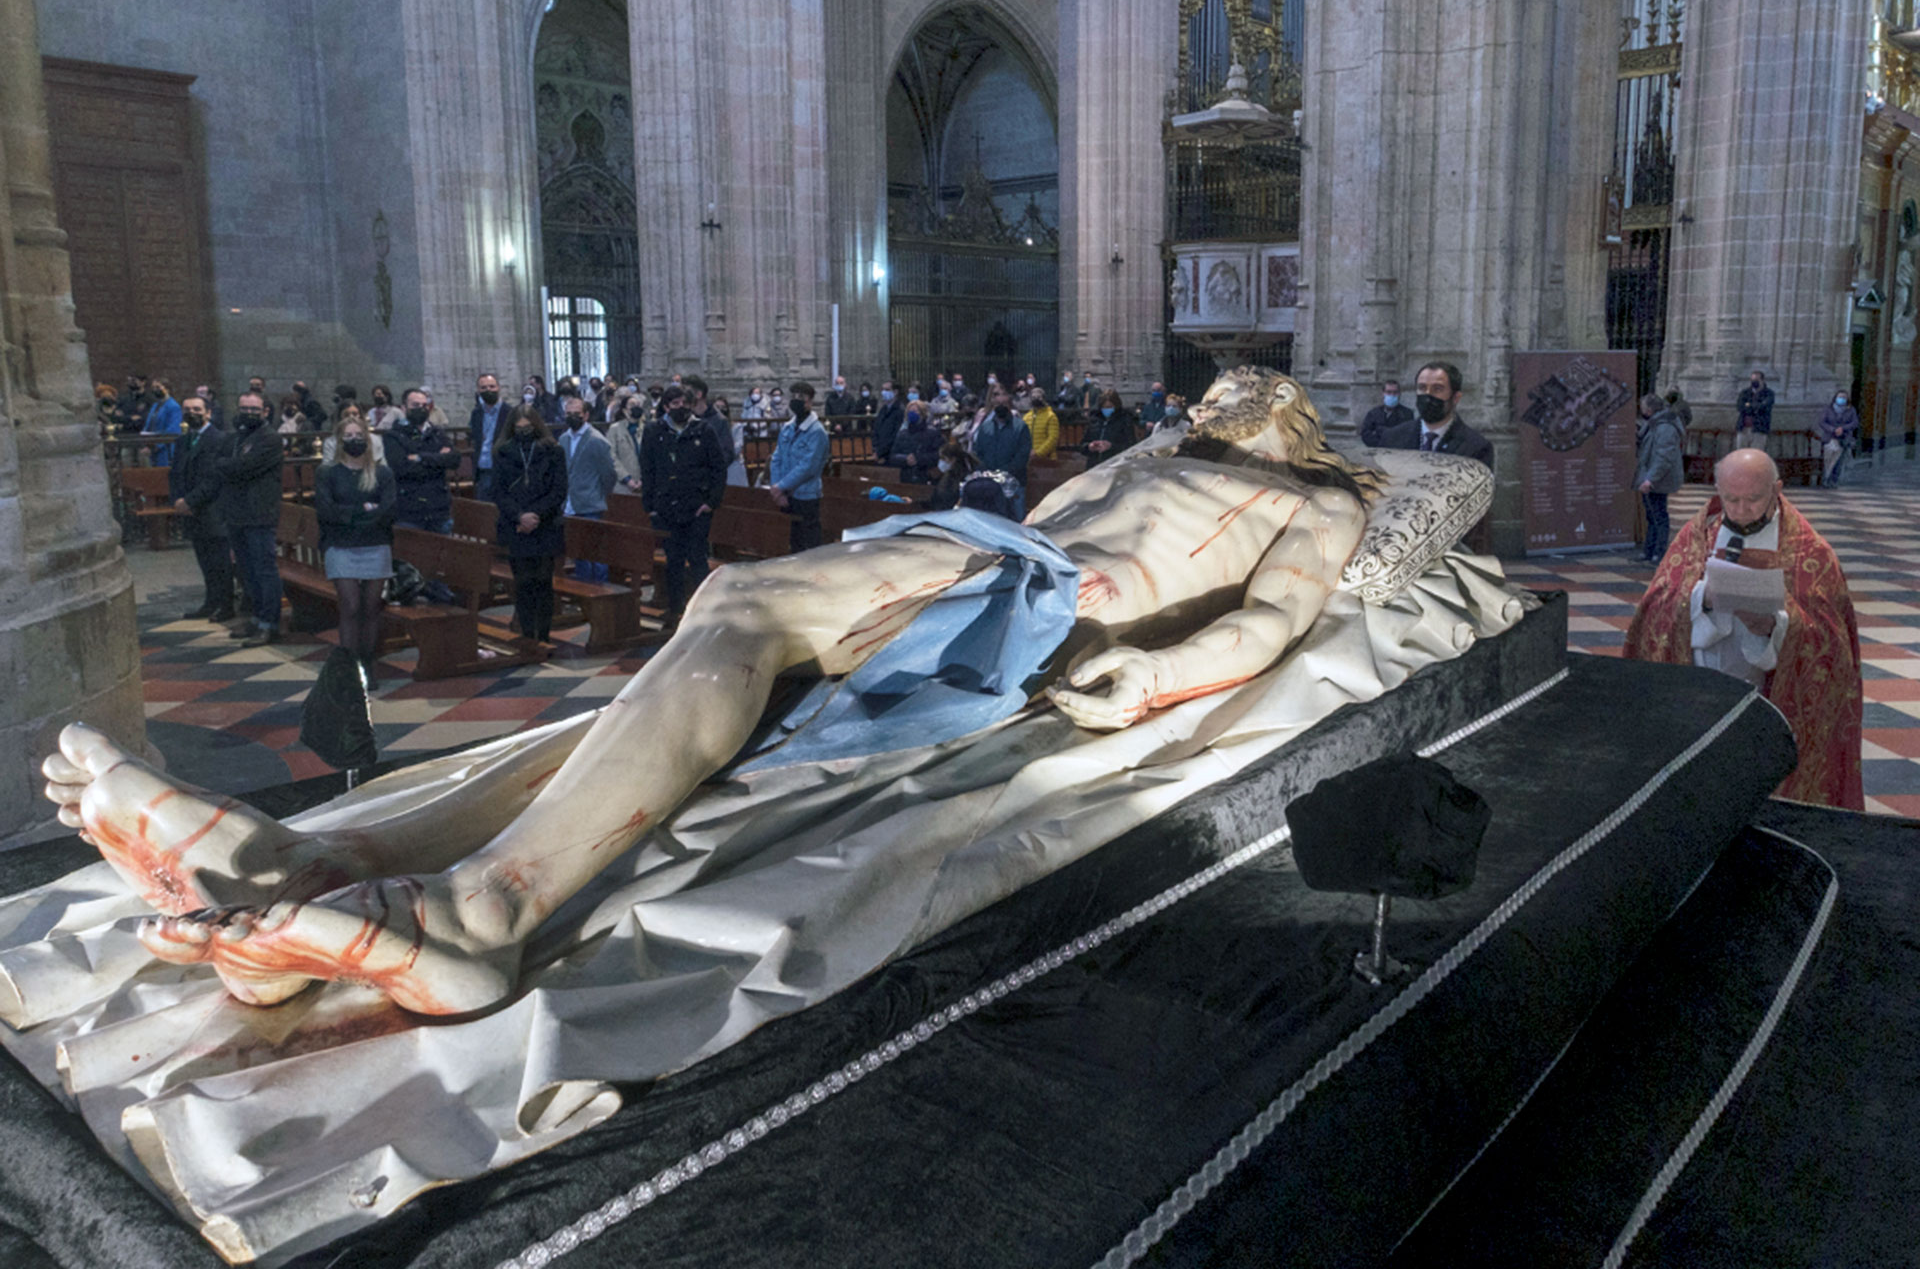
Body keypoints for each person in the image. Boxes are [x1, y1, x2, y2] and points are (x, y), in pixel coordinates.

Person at [65, 367, 1382, 1017]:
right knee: (650, 711)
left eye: (1254, 389)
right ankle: (313, 860)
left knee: (734, 610)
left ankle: (480, 911)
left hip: (1041, 616)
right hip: (1003, 564)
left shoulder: (1309, 499)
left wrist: (1156, 667)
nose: (1228, 396)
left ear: (1297, 419)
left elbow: (1270, 618)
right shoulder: (1151, 459)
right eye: (1217, 390)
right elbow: (1046, 522)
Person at [1625, 448, 1862, 810]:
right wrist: (1703, 599)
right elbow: (1658, 606)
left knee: (1754, 796)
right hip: (1701, 689)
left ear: (1777, 489)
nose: (1740, 509)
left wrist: (1775, 627)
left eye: (1753, 499)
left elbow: (1831, 644)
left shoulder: (1810, 552)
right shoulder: (1698, 535)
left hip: (1766, 698)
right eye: (1730, 498)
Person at [313, 415, 396, 687]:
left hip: (375, 544)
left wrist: (351, 515)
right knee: (350, 606)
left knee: (370, 607)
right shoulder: (328, 473)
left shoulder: (382, 473)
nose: (354, 441)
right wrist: (362, 510)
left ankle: (368, 663)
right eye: (348, 436)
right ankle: (350, 667)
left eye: (358, 436)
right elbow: (326, 511)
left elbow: (387, 510)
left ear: (368, 440)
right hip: (341, 546)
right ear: (339, 441)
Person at [641, 385, 727, 626]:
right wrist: (651, 505)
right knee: (673, 561)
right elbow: (648, 469)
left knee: (698, 559)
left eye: (684, 404)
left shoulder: (703, 430)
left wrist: (711, 502)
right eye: (675, 404)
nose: (680, 408)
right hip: (667, 507)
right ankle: (675, 607)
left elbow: (718, 469)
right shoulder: (654, 431)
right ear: (666, 406)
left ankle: (702, 610)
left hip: (696, 506)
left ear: (690, 405)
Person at [489, 405, 567, 644]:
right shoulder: (503, 452)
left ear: (537, 426)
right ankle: (527, 634)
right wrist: (519, 516)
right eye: (519, 428)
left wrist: (536, 516)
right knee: (522, 582)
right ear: (512, 428)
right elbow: (498, 492)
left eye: (528, 427)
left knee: (543, 582)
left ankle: (543, 634)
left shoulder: (553, 451)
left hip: (545, 525)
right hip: (516, 526)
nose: (524, 431)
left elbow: (559, 490)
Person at [216, 390, 286, 647]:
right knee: (247, 571)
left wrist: (228, 466)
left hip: (259, 514)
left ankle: (270, 624)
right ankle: (257, 618)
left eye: (254, 410)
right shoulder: (237, 437)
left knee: (264, 570)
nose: (248, 414)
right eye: (244, 408)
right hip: (237, 512)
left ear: (265, 411)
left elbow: (244, 468)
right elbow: (221, 463)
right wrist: (229, 466)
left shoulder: (270, 439)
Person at [168, 394, 234, 621]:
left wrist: (190, 500)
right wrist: (177, 499)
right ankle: (210, 601)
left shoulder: (220, 439)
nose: (191, 413)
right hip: (191, 510)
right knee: (204, 561)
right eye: (187, 409)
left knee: (220, 562)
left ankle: (226, 605)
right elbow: (175, 473)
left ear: (207, 413)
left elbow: (214, 477)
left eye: (197, 409)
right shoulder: (183, 440)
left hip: (212, 509)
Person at [1379, 361, 1495, 468]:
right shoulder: (1392, 439)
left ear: (1455, 397)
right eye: (1422, 388)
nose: (1428, 395)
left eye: (1437, 389)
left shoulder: (1476, 447)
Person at [385, 387, 459, 536]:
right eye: (415, 405)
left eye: (424, 405)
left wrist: (420, 458)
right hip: (409, 509)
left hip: (439, 508)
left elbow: (454, 459)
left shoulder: (437, 433)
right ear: (404, 408)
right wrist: (438, 459)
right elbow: (402, 467)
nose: (421, 409)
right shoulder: (393, 436)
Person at [558, 395, 617, 582]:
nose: (572, 417)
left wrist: (598, 494)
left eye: (577, 414)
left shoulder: (596, 440)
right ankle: (583, 588)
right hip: (571, 502)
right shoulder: (563, 439)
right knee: (579, 552)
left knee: (595, 553)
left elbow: (609, 474)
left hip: (590, 502)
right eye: (568, 414)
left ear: (586, 415)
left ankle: (600, 588)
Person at [768, 382, 829, 551]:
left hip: (806, 496)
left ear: (809, 401)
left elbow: (808, 467)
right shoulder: (787, 427)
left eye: (801, 397)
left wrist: (781, 486)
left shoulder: (817, 432)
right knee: (790, 544)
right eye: (793, 396)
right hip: (785, 495)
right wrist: (776, 488)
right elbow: (777, 457)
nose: (796, 400)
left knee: (808, 547)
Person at [1635, 393, 1685, 565]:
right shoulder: (1654, 423)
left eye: (1642, 407)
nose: (1641, 410)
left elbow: (1663, 456)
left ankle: (1659, 552)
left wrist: (1650, 479)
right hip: (1650, 475)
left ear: (1649, 410)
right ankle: (1649, 551)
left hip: (1658, 478)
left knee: (1659, 516)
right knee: (1651, 515)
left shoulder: (1665, 427)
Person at [973, 394, 1034, 516]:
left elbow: (1022, 455)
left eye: (1004, 404)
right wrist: (988, 472)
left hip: (1015, 482)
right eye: (997, 404)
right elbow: (978, 453)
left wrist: (1003, 473)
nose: (1000, 407)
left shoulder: (1020, 427)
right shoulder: (985, 427)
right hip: (990, 483)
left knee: (1017, 518)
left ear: (1010, 406)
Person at [468, 373, 509, 497]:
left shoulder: (510, 412)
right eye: (483, 388)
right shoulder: (476, 413)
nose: (488, 390)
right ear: (478, 390)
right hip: (482, 470)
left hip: (504, 471)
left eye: (492, 386)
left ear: (498, 388)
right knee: (484, 512)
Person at [889, 401, 942, 483]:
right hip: (906, 475)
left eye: (915, 411)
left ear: (922, 413)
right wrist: (905, 459)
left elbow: (937, 455)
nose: (912, 414)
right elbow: (893, 455)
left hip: (925, 475)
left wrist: (918, 459)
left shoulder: (932, 433)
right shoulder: (902, 433)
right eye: (910, 412)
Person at [1083, 389, 1136, 467]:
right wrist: (1089, 446)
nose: (1106, 409)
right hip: (1094, 465)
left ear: (1116, 406)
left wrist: (1111, 446)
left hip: (1116, 465)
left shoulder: (1124, 420)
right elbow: (1083, 444)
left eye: (1109, 407)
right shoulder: (1095, 420)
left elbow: (1131, 445)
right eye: (1104, 407)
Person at [1817, 390, 1860, 486]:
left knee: (1839, 461)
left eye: (1844, 397)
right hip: (1830, 438)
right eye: (1840, 397)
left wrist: (1843, 428)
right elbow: (1822, 422)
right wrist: (1833, 429)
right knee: (1828, 459)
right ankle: (1825, 479)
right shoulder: (1828, 409)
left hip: (1843, 439)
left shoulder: (1851, 410)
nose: (1841, 399)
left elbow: (1854, 423)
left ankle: (1834, 480)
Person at [608, 388, 645, 493]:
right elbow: (611, 456)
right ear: (624, 410)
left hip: (644, 483)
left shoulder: (647, 429)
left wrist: (643, 479)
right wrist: (626, 478)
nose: (636, 408)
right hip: (623, 484)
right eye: (632, 405)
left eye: (638, 405)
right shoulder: (615, 429)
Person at [140, 378, 183, 466]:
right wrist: (145, 441)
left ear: (167, 389)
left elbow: (173, 429)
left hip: (165, 449)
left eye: (158, 387)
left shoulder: (174, 407)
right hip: (151, 445)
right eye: (153, 388)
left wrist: (156, 445)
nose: (155, 390)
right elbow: (148, 424)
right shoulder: (155, 405)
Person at [1359, 380, 1414, 447]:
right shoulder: (1373, 413)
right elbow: (1365, 434)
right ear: (1383, 393)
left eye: (1395, 392)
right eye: (1388, 392)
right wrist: (1381, 443)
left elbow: (1407, 436)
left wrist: (1380, 431)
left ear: (1399, 394)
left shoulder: (1407, 414)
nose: (1392, 395)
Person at [927, 438, 978, 509]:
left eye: (944, 458)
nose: (941, 462)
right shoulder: (948, 475)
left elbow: (946, 498)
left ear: (953, 459)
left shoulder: (955, 478)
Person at [1735, 370, 1773, 452]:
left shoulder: (1769, 394)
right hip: (1743, 429)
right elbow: (1740, 406)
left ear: (1762, 380)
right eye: (1752, 380)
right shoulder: (1745, 392)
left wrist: (1749, 405)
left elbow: (1764, 407)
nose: (1753, 382)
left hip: (1759, 430)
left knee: (1756, 455)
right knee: (1741, 454)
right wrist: (1755, 405)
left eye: (1756, 380)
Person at [871, 380, 905, 466]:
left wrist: (882, 453)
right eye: (883, 389)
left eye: (887, 389)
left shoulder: (900, 411)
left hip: (890, 454)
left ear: (895, 392)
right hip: (879, 452)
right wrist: (876, 449)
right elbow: (876, 429)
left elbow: (895, 435)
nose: (883, 392)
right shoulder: (883, 410)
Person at [1023, 386, 1060, 459]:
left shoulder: (1051, 416)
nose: (1036, 400)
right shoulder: (1026, 417)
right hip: (1029, 458)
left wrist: (1038, 453)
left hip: (1047, 459)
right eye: (1034, 397)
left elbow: (1053, 439)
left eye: (1038, 397)